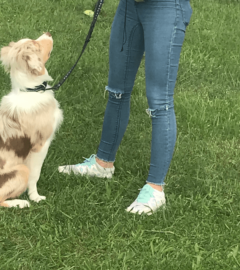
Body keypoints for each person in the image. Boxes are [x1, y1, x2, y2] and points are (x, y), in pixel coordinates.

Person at [59, 0, 193, 215]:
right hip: (130, 7)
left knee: (160, 102)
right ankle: (103, 164)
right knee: (117, 91)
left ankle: (155, 188)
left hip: (165, 7)